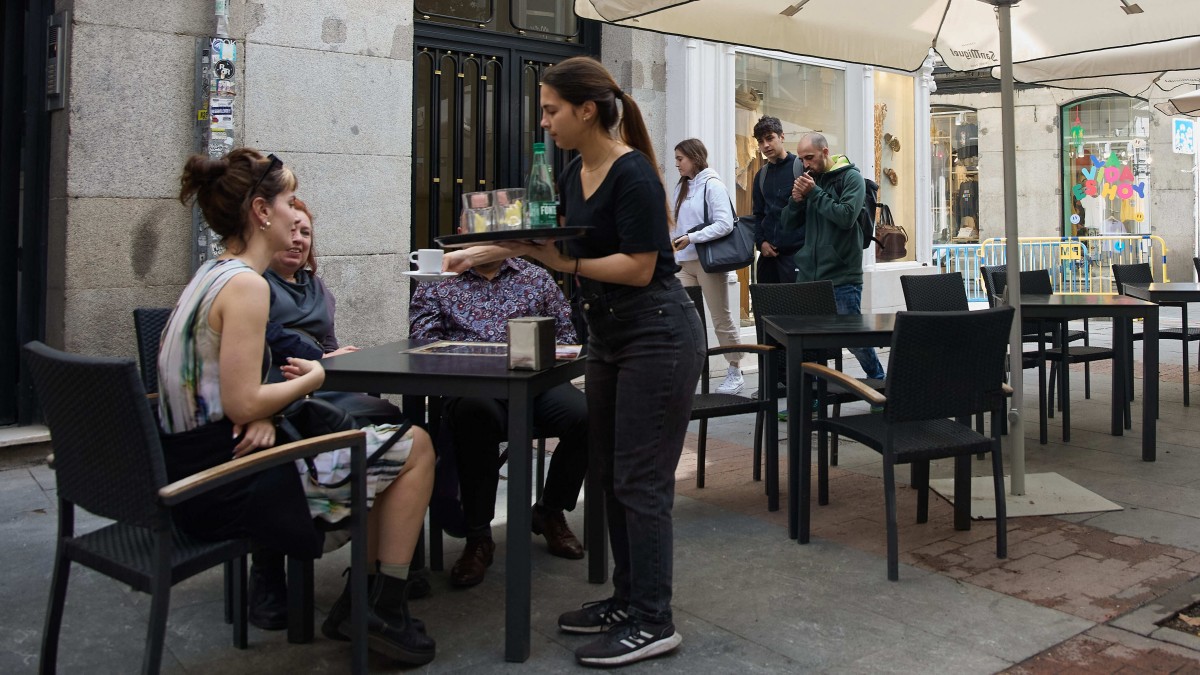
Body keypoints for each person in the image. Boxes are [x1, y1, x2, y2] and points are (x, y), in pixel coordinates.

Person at [444, 55, 704, 668]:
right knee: (612, 474)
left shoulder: (632, 173)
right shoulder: (570, 174)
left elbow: (641, 267)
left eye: (551, 110)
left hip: (657, 335)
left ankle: (654, 619)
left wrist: (563, 267)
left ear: (586, 110)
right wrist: (490, 245)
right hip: (610, 337)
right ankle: (626, 598)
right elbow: (552, 236)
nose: (544, 121)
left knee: (641, 481)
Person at [159, 148, 436, 666]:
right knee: (416, 447)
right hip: (228, 486)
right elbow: (243, 399)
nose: (296, 212)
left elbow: (230, 393)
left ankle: (365, 603)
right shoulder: (245, 286)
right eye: (288, 199)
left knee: (379, 442)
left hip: (193, 471)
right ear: (263, 212)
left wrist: (265, 409)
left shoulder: (211, 275)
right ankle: (382, 608)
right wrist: (317, 376)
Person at [247, 197, 420, 631]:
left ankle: (389, 555)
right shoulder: (250, 285)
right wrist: (321, 358)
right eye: (291, 230)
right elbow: (273, 337)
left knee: (392, 419)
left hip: (316, 387)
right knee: (393, 433)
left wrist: (333, 359)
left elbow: (328, 345)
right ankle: (270, 572)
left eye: (306, 233)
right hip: (270, 393)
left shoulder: (318, 288)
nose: (298, 240)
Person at [408, 256, 589, 587]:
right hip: (474, 387)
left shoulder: (536, 277)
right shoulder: (439, 281)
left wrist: (538, 354)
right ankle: (478, 536)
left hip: (534, 385)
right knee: (473, 415)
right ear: (463, 232)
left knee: (588, 416)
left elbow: (566, 337)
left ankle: (549, 510)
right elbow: (422, 343)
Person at [780, 132, 887, 381]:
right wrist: (795, 201)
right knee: (806, 342)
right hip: (809, 277)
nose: (805, 164)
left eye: (810, 157)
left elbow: (846, 216)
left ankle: (880, 382)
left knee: (854, 340)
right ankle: (811, 396)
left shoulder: (851, 178)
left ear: (825, 152)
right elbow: (786, 225)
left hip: (842, 275)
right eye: (802, 158)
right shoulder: (808, 180)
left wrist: (814, 193)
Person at [670, 138, 746, 395]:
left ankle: (735, 371)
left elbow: (725, 224)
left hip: (708, 263)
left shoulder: (712, 185)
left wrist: (691, 237)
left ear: (694, 158)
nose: (677, 164)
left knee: (720, 317)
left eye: (681, 158)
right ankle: (689, 373)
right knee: (684, 320)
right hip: (683, 264)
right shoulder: (682, 187)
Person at [751, 116, 803, 284]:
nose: (765, 145)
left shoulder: (800, 167)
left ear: (782, 136)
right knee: (766, 308)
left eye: (770, 138)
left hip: (796, 255)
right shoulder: (761, 175)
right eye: (760, 141)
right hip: (768, 257)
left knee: (796, 309)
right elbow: (758, 214)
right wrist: (761, 243)